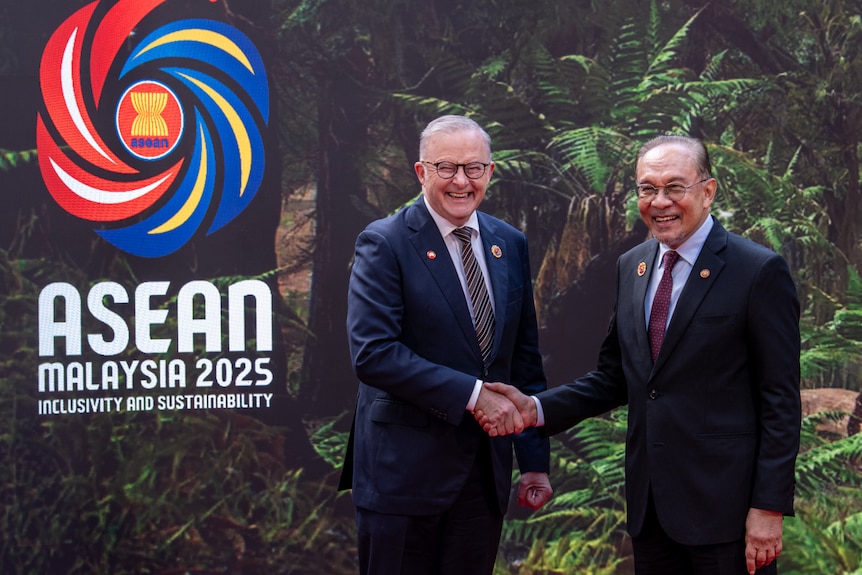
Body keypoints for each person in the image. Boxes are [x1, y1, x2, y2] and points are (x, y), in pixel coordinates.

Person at [477, 135, 801, 575]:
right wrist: (535, 409)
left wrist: (769, 508)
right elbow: (616, 377)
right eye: (647, 188)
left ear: (708, 192)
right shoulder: (632, 265)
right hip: (651, 514)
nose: (659, 201)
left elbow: (780, 401)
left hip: (729, 515)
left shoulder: (758, 271)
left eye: (674, 187)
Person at [340, 114, 553, 575]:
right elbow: (373, 353)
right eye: (446, 167)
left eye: (474, 168)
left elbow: (522, 358)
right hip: (402, 479)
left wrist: (534, 461)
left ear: (490, 172)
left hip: (482, 479)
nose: (462, 181)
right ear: (421, 172)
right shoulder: (384, 242)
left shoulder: (509, 243)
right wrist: (475, 396)